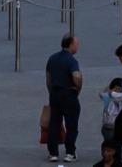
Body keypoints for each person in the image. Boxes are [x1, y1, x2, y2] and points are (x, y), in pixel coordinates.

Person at [44, 33, 83, 165]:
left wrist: (51, 92)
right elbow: (76, 76)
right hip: (68, 95)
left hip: (55, 95)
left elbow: (48, 79)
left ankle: (53, 153)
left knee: (54, 123)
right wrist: (78, 88)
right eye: (76, 44)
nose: (78, 46)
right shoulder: (71, 60)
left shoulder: (52, 58)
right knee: (71, 124)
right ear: (71, 45)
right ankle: (70, 152)